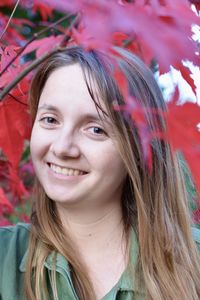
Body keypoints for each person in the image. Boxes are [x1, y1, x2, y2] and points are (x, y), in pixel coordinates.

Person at [0, 46, 200, 300]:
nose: (62, 147)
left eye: (95, 129)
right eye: (50, 119)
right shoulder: (4, 258)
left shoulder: (194, 264)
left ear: (140, 148)